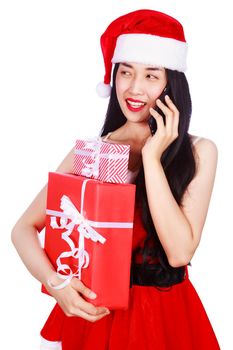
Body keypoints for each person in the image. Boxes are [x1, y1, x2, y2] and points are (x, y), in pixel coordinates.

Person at [11, 9, 221, 350]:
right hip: (97, 315)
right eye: (125, 72)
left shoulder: (199, 151)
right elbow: (23, 229)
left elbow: (180, 252)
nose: (134, 88)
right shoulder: (93, 152)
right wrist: (56, 282)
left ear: (172, 82)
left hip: (166, 316)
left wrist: (152, 159)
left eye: (151, 75)